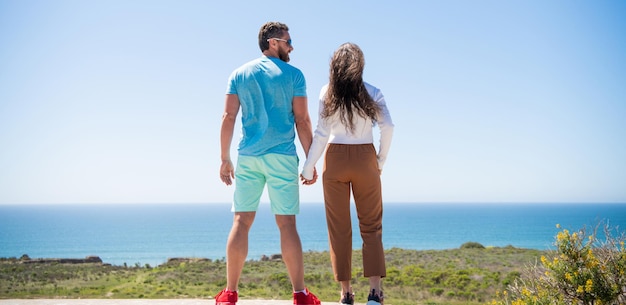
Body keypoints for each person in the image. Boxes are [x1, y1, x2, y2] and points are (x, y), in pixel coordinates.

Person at [216, 21, 320, 305]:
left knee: (241, 221)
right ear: (273, 42)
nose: (291, 46)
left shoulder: (238, 74)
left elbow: (228, 117)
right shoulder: (294, 76)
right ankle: (300, 295)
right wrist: (310, 162)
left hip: (248, 157)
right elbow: (302, 120)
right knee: (287, 225)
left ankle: (229, 294)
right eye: (288, 41)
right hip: (282, 157)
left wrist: (225, 159)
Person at [300, 42, 394, 305]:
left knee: (339, 229)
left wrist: (308, 168)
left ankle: (346, 293)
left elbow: (320, 134)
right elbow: (388, 127)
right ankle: (375, 293)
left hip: (335, 159)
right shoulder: (372, 92)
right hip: (365, 157)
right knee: (371, 227)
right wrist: (380, 161)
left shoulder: (327, 92)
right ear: (360, 64)